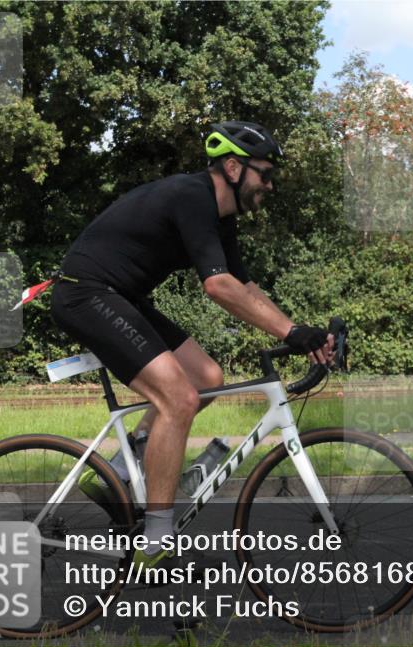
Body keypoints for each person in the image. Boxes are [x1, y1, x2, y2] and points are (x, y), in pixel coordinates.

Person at [50, 121, 333, 568]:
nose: (271, 185)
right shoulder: (192, 196)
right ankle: (155, 543)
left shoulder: (221, 219)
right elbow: (217, 286)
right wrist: (290, 332)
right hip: (85, 293)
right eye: (265, 174)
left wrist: (299, 331)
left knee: (206, 376)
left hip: (120, 296)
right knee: (178, 399)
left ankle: (118, 473)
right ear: (234, 168)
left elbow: (244, 287)